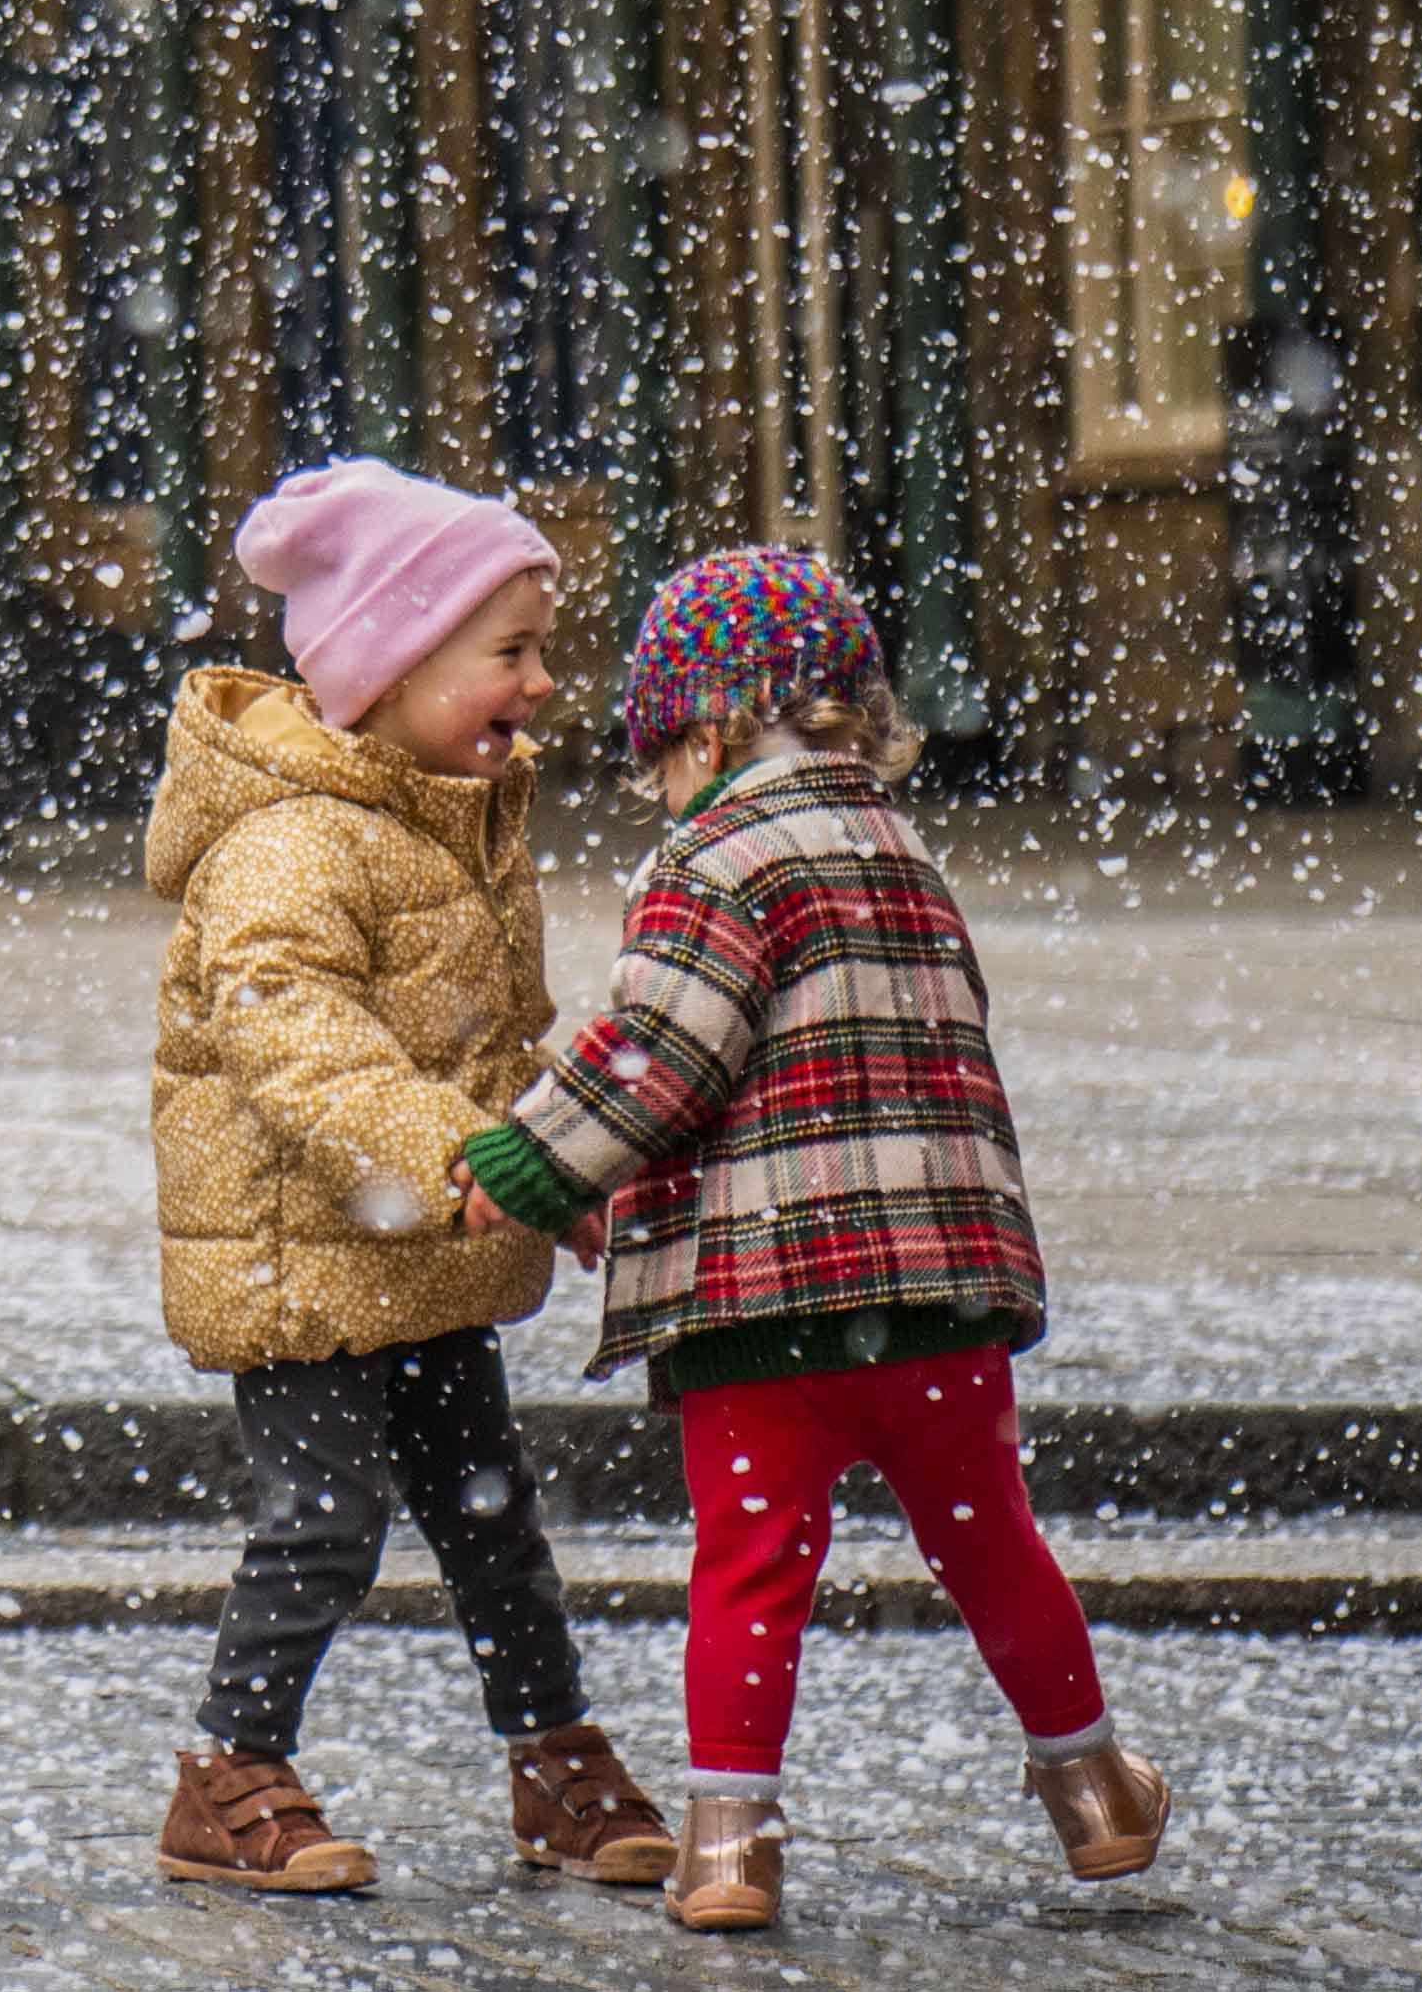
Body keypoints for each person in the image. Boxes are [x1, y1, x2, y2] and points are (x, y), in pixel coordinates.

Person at [452, 546, 1168, 1936]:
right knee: (994, 1543)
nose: (661, 779)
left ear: (707, 727)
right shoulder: (901, 848)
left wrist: (525, 1164)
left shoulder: (714, 857)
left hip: (764, 1304)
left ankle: (729, 1838)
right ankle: (1095, 1790)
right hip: (936, 1300)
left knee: (749, 1561)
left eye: (661, 748)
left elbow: (659, 1051)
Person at [145, 459, 675, 1901]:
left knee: (493, 1513)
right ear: (391, 665)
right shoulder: (288, 844)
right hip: (306, 1252)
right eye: (509, 651)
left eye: (542, 648)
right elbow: (303, 1045)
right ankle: (226, 1768)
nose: (545, 681)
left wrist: (564, 1164)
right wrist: (471, 1159)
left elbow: (487, 1045)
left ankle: (553, 1753)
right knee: (323, 1518)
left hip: (426, 1248)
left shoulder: (451, 819)